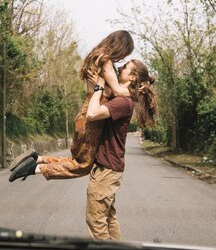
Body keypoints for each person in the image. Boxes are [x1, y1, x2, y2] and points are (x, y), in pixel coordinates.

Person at [8, 30, 136, 183]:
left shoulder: (95, 57)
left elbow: (107, 89)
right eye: (124, 53)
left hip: (84, 113)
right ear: (119, 47)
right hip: (93, 120)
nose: (122, 58)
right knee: (82, 165)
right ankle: (33, 169)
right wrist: (136, 93)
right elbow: (117, 90)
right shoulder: (106, 62)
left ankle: (38, 159)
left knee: (75, 159)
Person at [84, 59, 157, 240]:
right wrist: (99, 85)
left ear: (132, 77)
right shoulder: (123, 97)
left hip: (107, 170)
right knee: (108, 218)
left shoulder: (123, 101)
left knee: (96, 220)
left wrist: (99, 89)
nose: (121, 67)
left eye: (125, 67)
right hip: (110, 168)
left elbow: (92, 114)